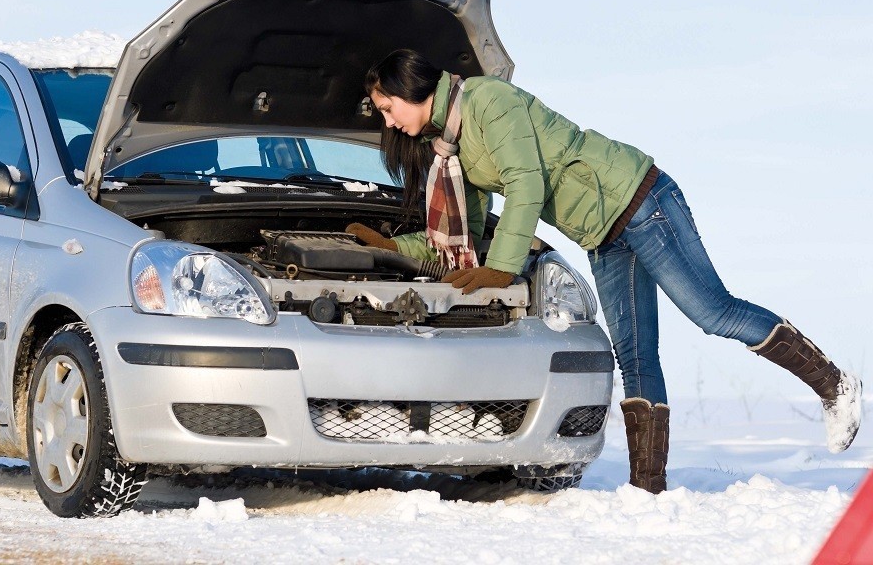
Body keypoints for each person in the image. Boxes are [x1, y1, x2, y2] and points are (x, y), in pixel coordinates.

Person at [347, 48, 861, 493]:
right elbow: (469, 231)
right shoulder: (452, 148)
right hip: (604, 234)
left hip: (640, 200)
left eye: (388, 109)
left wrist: (504, 270)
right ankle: (648, 489)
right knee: (635, 355)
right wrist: (392, 245)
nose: (388, 121)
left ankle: (834, 384)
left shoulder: (486, 100)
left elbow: (526, 183)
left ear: (409, 89)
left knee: (712, 311)